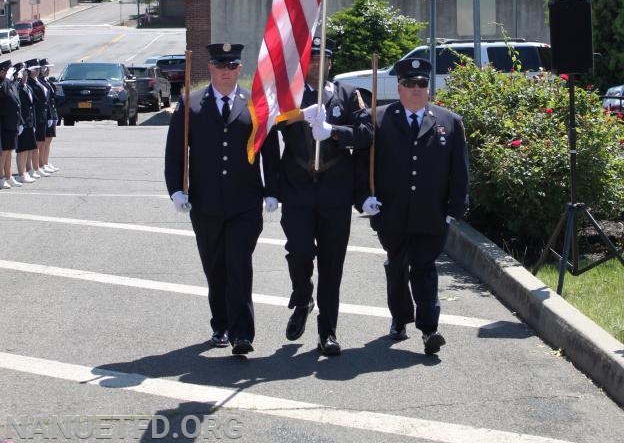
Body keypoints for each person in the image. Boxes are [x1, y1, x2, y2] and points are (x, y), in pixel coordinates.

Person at [164, 43, 279, 356]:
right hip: (205, 203)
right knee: (216, 268)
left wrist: (272, 189)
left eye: (232, 66)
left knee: (239, 265)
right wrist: (176, 190)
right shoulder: (191, 103)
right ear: (210, 68)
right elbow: (176, 151)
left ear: (239, 69)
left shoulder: (255, 104)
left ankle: (242, 333)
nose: (226, 72)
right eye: (220, 66)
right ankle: (221, 324)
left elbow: (270, 149)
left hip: (245, 202)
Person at [356, 56, 469, 356]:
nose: (417, 89)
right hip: (390, 213)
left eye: (422, 84)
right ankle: (399, 318)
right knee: (397, 265)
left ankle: (429, 328)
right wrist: (364, 198)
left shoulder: (449, 122)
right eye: (410, 84)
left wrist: (454, 209)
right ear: (399, 87)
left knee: (424, 267)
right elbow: (360, 166)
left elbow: (460, 170)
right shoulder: (377, 119)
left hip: (431, 214)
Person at [267, 37, 372, 356]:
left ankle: (328, 331)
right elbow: (269, 131)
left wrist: (335, 132)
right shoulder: (288, 97)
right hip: (297, 187)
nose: (315, 65)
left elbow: (368, 133)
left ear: (330, 63)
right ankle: (303, 297)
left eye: (321, 59)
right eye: (309, 59)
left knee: (332, 264)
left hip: (335, 190)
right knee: (299, 252)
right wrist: (271, 189)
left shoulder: (348, 95)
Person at [13, 62, 40, 184]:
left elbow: (33, 103)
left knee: (28, 148)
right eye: (24, 72)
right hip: (22, 123)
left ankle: (26, 171)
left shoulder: (27, 86)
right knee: (22, 149)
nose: (26, 74)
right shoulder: (17, 87)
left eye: (26, 72)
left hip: (29, 122)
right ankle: (21, 174)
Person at [0, 60, 24, 188]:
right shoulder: (2, 84)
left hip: (12, 121)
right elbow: (3, 93)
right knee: (3, 152)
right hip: (4, 122)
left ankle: (8, 176)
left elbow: (17, 102)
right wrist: (6, 79)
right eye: (6, 70)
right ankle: (1, 178)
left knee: (9, 151)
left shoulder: (10, 83)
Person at [37, 58, 60, 174]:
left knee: (49, 140)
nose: (47, 70)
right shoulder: (39, 81)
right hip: (46, 115)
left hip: (51, 113)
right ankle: (41, 164)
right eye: (45, 68)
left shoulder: (46, 81)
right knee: (43, 141)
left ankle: (45, 162)